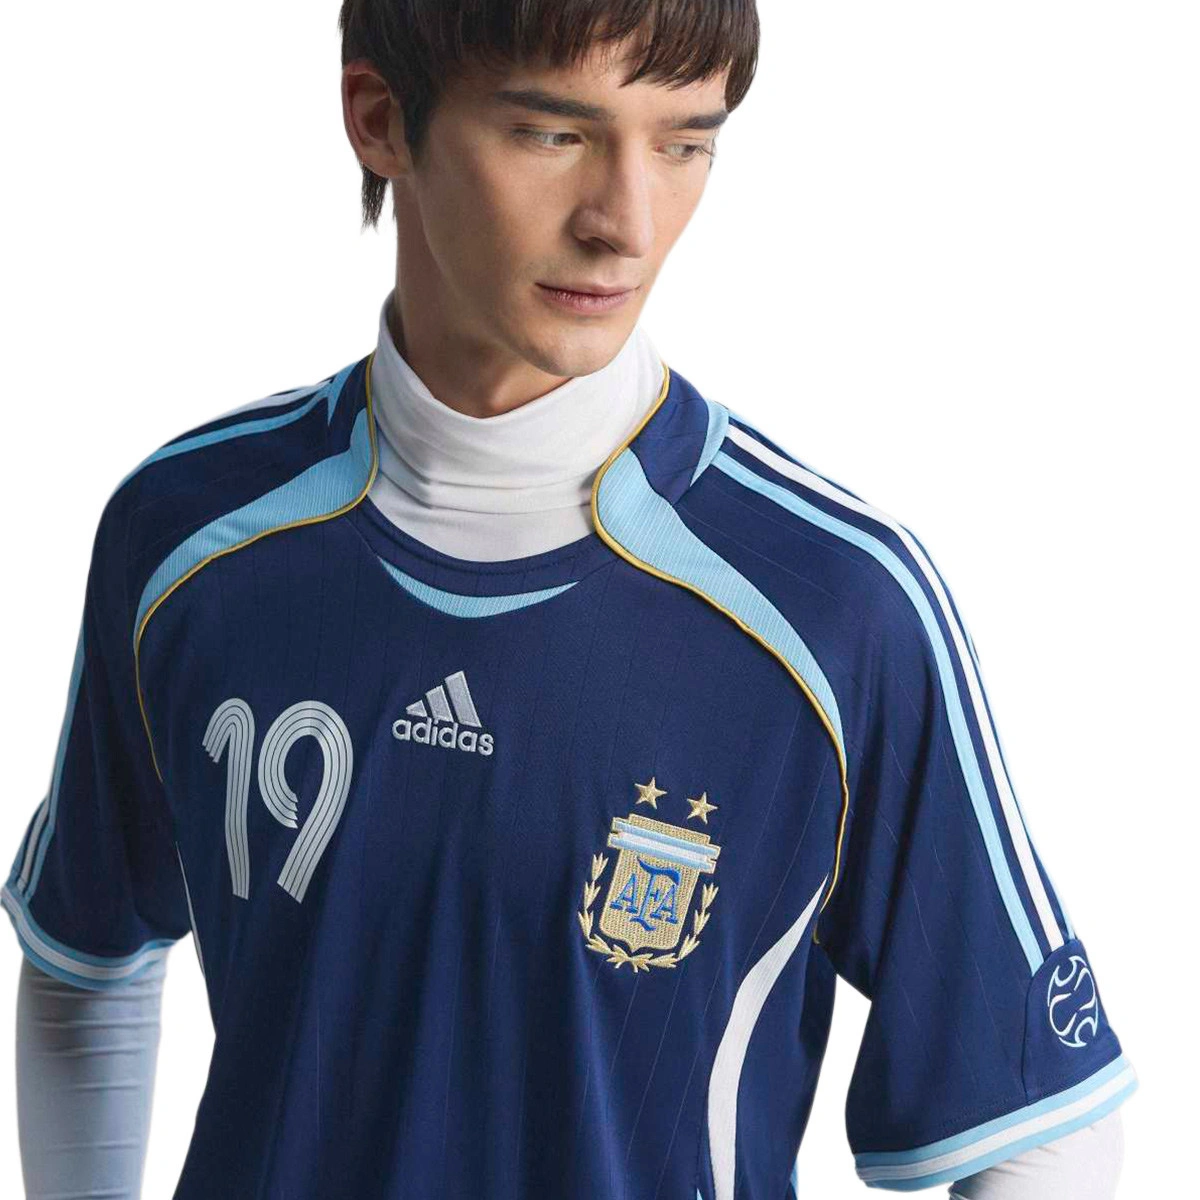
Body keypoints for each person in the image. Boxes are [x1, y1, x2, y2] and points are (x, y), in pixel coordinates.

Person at [4, 2, 1134, 1197]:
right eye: (554, 135)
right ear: (379, 119)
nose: (625, 225)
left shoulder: (832, 609)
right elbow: (86, 961)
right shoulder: (188, 537)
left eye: (684, 143)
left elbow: (1038, 1121)